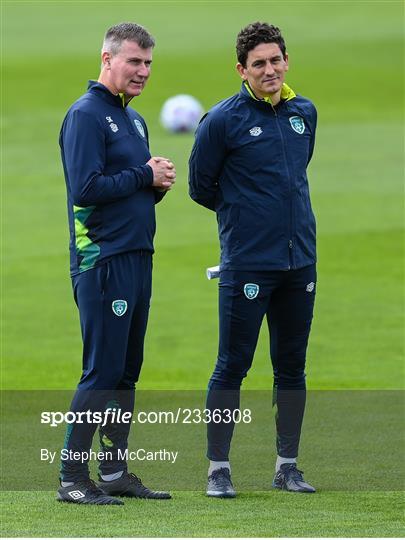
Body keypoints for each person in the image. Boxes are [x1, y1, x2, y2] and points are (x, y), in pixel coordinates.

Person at [189, 22, 317, 496]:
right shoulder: (222, 120)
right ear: (242, 69)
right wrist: (246, 218)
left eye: (276, 60)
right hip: (247, 262)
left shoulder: (305, 112)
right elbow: (201, 187)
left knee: (292, 366)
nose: (269, 69)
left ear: (287, 61)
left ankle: (288, 466)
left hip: (300, 260)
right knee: (232, 365)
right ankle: (218, 469)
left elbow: (294, 175)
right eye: (258, 63)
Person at [58, 22, 175, 505]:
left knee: (126, 371)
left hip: (135, 256)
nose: (143, 71)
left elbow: (125, 193)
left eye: (148, 63)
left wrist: (154, 188)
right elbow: (84, 189)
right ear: (107, 59)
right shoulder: (86, 116)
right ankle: (70, 477)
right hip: (102, 261)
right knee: (101, 371)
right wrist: (142, 175)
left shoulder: (136, 120)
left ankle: (113, 470)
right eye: (134, 61)